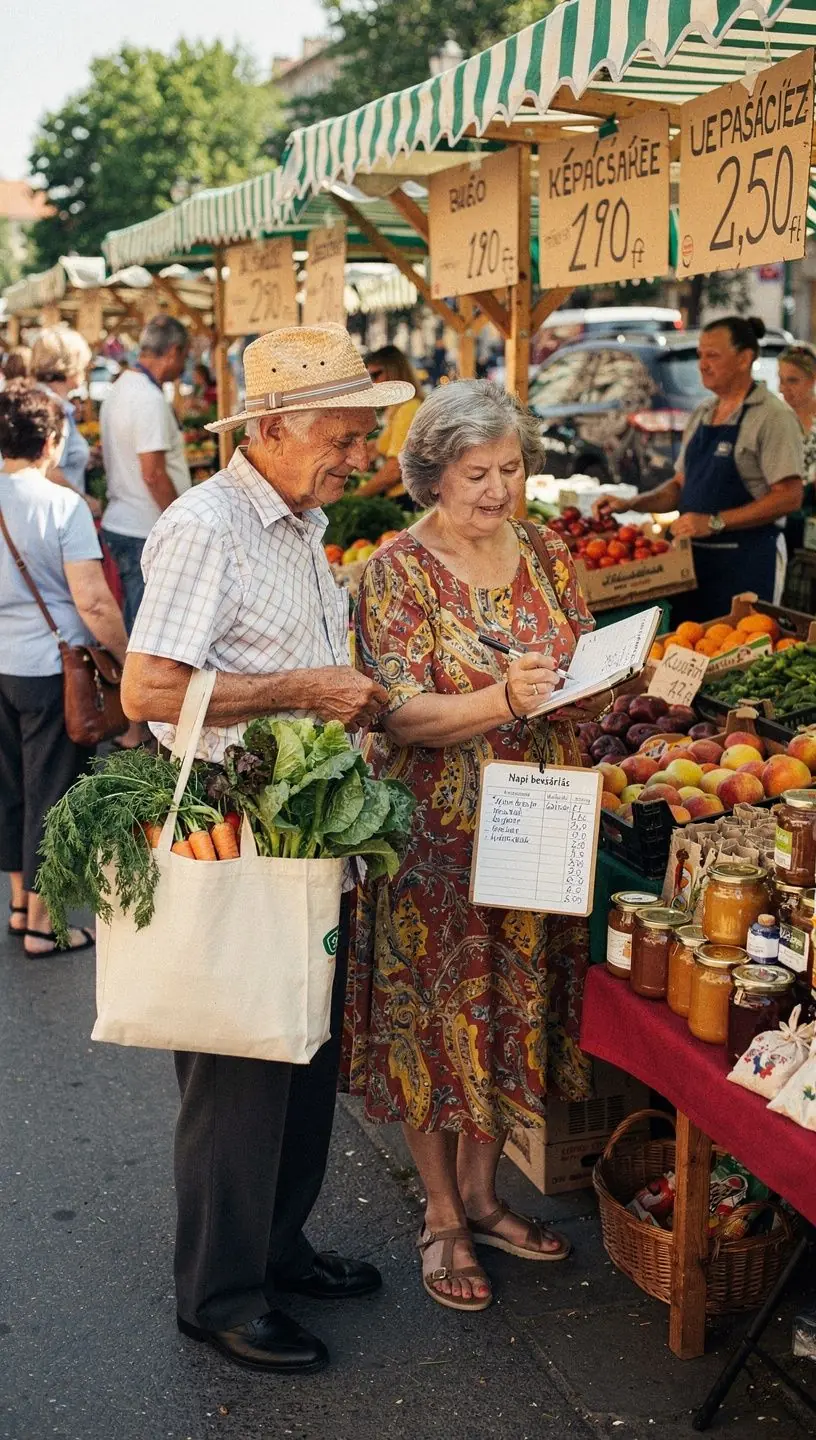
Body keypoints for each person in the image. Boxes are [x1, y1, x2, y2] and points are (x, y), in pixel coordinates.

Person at [120, 324, 412, 1374]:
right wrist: (305, 691)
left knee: (299, 1048)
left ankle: (279, 1247)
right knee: (239, 1065)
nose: (359, 454)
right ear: (277, 429)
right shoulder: (208, 526)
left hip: (300, 830)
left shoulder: (299, 521)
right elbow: (148, 691)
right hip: (230, 831)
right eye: (342, 434)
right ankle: (220, 1293)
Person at [346, 380, 596, 1313]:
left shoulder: (547, 549)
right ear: (433, 477)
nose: (498, 489)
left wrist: (613, 685)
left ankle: (489, 1196)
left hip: (538, 823)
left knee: (508, 1009)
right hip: (436, 843)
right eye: (477, 472)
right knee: (434, 1019)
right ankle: (443, 1216)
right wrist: (505, 701)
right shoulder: (395, 573)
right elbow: (400, 713)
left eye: (512, 467)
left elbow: (578, 655)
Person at [0, 382, 129, 955]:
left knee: (11, 790)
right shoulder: (62, 505)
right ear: (51, 442)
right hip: (53, 670)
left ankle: (19, 903)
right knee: (52, 793)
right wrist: (127, 660)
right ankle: (43, 927)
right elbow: (95, 603)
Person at [594, 316, 803, 621]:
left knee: (739, 651)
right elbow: (679, 486)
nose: (702, 364)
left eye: (713, 356)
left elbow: (789, 497)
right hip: (692, 565)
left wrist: (715, 522)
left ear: (745, 358)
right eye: (700, 355)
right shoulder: (703, 413)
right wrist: (630, 504)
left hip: (747, 564)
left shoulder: (772, 416)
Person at [100, 315, 191, 631]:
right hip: (145, 530)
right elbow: (153, 473)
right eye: (185, 356)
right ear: (174, 352)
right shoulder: (148, 398)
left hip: (127, 523)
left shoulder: (120, 386)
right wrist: (183, 520)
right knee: (147, 633)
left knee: (138, 624)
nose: (185, 365)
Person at [30, 326, 95, 502]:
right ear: (70, 366)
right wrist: (84, 500)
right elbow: (49, 470)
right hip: (56, 511)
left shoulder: (34, 399)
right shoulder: (54, 409)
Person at [355, 346, 423, 499]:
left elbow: (395, 469)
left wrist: (357, 496)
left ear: (395, 372)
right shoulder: (397, 408)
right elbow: (382, 446)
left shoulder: (408, 409)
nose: (374, 382)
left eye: (376, 374)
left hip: (405, 497)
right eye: (369, 377)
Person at [778, 342, 816, 555]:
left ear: (813, 379)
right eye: (781, 380)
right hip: (783, 520)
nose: (784, 389)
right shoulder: (776, 419)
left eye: (792, 380)